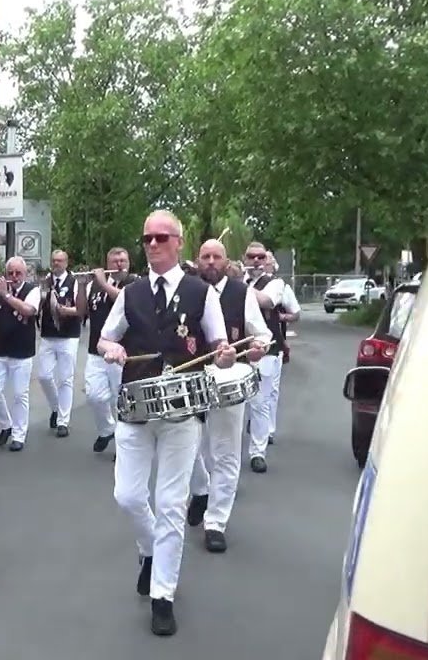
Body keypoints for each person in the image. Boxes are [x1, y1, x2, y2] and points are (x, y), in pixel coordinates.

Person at [97, 210, 250, 637]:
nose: (152, 244)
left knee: (169, 504)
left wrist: (224, 355)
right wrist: (111, 349)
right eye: (146, 237)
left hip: (181, 412)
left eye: (161, 237)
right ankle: (148, 551)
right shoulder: (131, 293)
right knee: (127, 495)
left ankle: (163, 593)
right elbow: (106, 337)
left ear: (178, 242)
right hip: (136, 407)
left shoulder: (203, 293)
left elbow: (221, 344)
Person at [186, 240, 271, 552]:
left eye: (216, 256)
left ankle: (216, 522)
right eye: (205, 256)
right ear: (197, 260)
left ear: (225, 261)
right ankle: (201, 488)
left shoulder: (241, 293)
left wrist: (260, 347)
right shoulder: (187, 289)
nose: (210, 261)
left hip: (229, 380)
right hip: (192, 378)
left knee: (226, 452)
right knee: (188, 446)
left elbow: (260, 332)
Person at [241, 242, 291, 472]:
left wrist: (235, 284)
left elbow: (267, 301)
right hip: (238, 350)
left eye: (261, 257)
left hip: (266, 350)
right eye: (251, 257)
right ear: (245, 258)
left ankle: (257, 452)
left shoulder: (275, 283)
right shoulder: (238, 281)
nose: (256, 261)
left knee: (260, 402)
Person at [81, 247, 136, 453]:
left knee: (119, 399)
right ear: (108, 263)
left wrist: (103, 283)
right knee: (94, 396)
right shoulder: (94, 286)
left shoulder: (134, 283)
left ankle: (123, 447)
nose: (119, 264)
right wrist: (81, 285)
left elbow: (126, 302)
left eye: (123, 260)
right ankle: (106, 430)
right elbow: (82, 311)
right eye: (115, 261)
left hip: (121, 352)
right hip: (95, 351)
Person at [0, 256, 41, 452]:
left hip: (22, 352)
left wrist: (7, 296)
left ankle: (19, 435)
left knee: (19, 395)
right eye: (10, 273)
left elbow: (28, 310)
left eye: (18, 273)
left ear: (25, 274)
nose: (14, 277)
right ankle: (5, 424)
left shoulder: (32, 290)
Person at [37, 250, 84, 437]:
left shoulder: (74, 282)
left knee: (65, 379)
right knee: (44, 376)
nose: (56, 263)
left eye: (60, 261)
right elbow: (39, 303)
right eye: (54, 260)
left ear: (66, 262)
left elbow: (81, 309)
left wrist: (67, 311)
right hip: (48, 334)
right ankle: (56, 407)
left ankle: (63, 421)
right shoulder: (45, 281)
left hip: (68, 335)